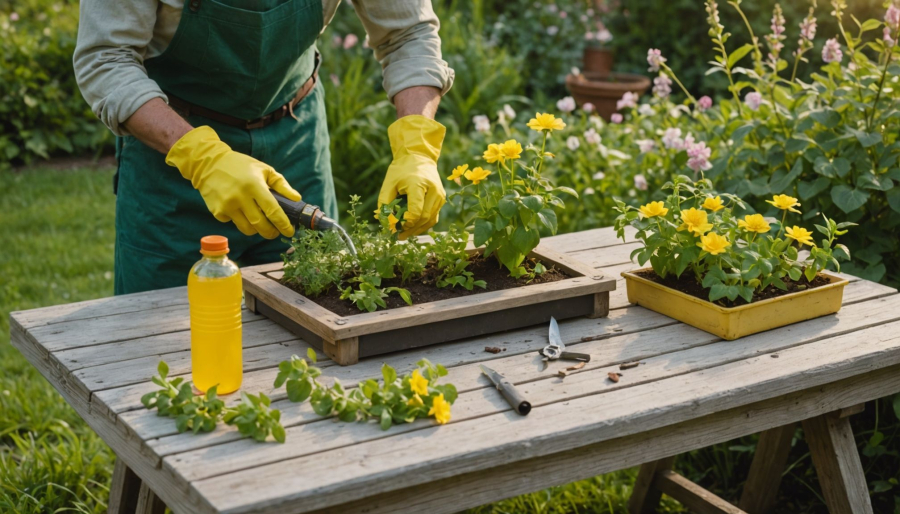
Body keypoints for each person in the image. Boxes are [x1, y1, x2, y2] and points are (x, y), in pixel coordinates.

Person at [73, 0, 454, 295]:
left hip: (295, 145)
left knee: (317, 324)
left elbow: (408, 34)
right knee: (162, 351)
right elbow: (106, 59)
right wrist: (202, 158)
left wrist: (416, 147)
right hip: (172, 157)